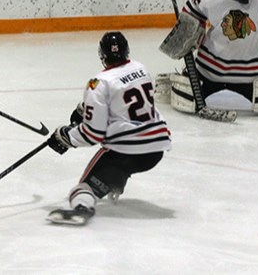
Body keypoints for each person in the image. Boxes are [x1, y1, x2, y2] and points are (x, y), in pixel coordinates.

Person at [45, 31, 172, 225]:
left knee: (82, 189)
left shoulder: (98, 83)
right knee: (121, 163)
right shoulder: (141, 68)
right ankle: (114, 183)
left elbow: (93, 133)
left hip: (127, 152)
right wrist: (86, 108)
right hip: (155, 150)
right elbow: (124, 101)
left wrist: (67, 136)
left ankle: (82, 208)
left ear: (102, 55)